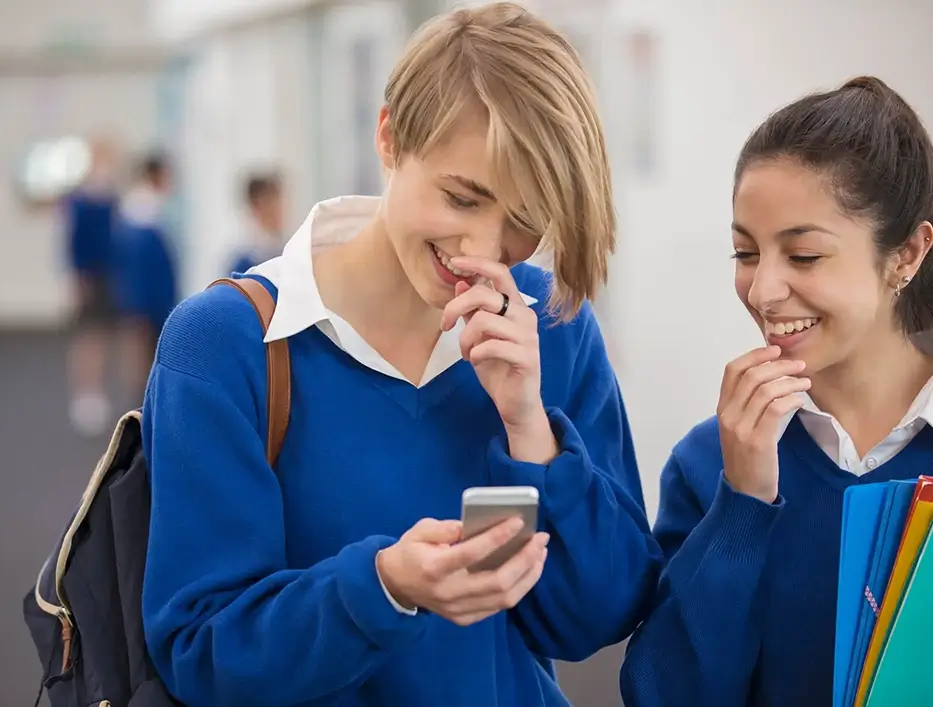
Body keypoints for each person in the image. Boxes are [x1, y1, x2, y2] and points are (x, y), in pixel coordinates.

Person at [142, 4, 661, 706]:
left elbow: (594, 618)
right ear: (388, 137)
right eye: (461, 197)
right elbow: (202, 650)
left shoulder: (551, 323)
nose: (483, 248)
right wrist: (382, 587)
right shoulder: (224, 345)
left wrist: (529, 430)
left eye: (523, 221)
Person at [620, 76, 933, 707]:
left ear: (905, 253)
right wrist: (743, 503)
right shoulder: (711, 461)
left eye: (805, 256)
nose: (762, 291)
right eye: (745, 252)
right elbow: (664, 696)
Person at [62, 136, 120, 436]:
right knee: (87, 335)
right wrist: (78, 279)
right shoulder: (81, 201)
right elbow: (73, 243)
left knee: (105, 335)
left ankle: (98, 391)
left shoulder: (112, 198)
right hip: (90, 275)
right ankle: (84, 394)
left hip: (112, 273)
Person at [113, 153, 178, 407]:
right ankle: (141, 399)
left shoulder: (139, 211)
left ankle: (142, 397)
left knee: (139, 345)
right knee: (141, 346)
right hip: (144, 294)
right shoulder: (144, 215)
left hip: (138, 292)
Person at [226, 171, 287, 274]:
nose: (279, 209)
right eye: (270, 202)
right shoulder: (243, 261)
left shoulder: (289, 248)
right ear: (255, 206)